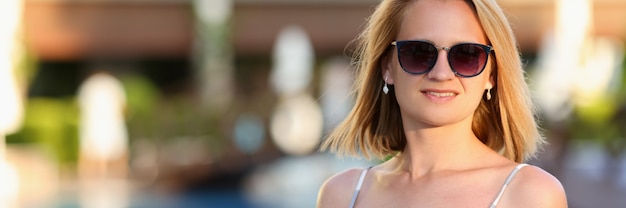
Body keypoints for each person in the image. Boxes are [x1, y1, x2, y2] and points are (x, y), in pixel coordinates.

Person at [316, 0, 568, 207]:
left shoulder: (530, 195)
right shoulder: (341, 195)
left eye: (467, 55)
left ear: (491, 75)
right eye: (419, 52)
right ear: (387, 68)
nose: (441, 73)